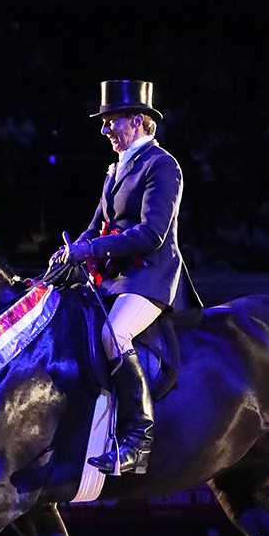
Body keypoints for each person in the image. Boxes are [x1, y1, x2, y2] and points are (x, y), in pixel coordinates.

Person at [62, 79, 200, 475]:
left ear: (139, 121)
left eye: (111, 122)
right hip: (112, 277)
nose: (105, 130)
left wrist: (90, 250)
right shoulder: (116, 169)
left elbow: (151, 233)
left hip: (149, 276)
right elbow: (97, 225)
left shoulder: (162, 165)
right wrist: (72, 251)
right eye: (103, 123)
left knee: (113, 334)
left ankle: (137, 440)